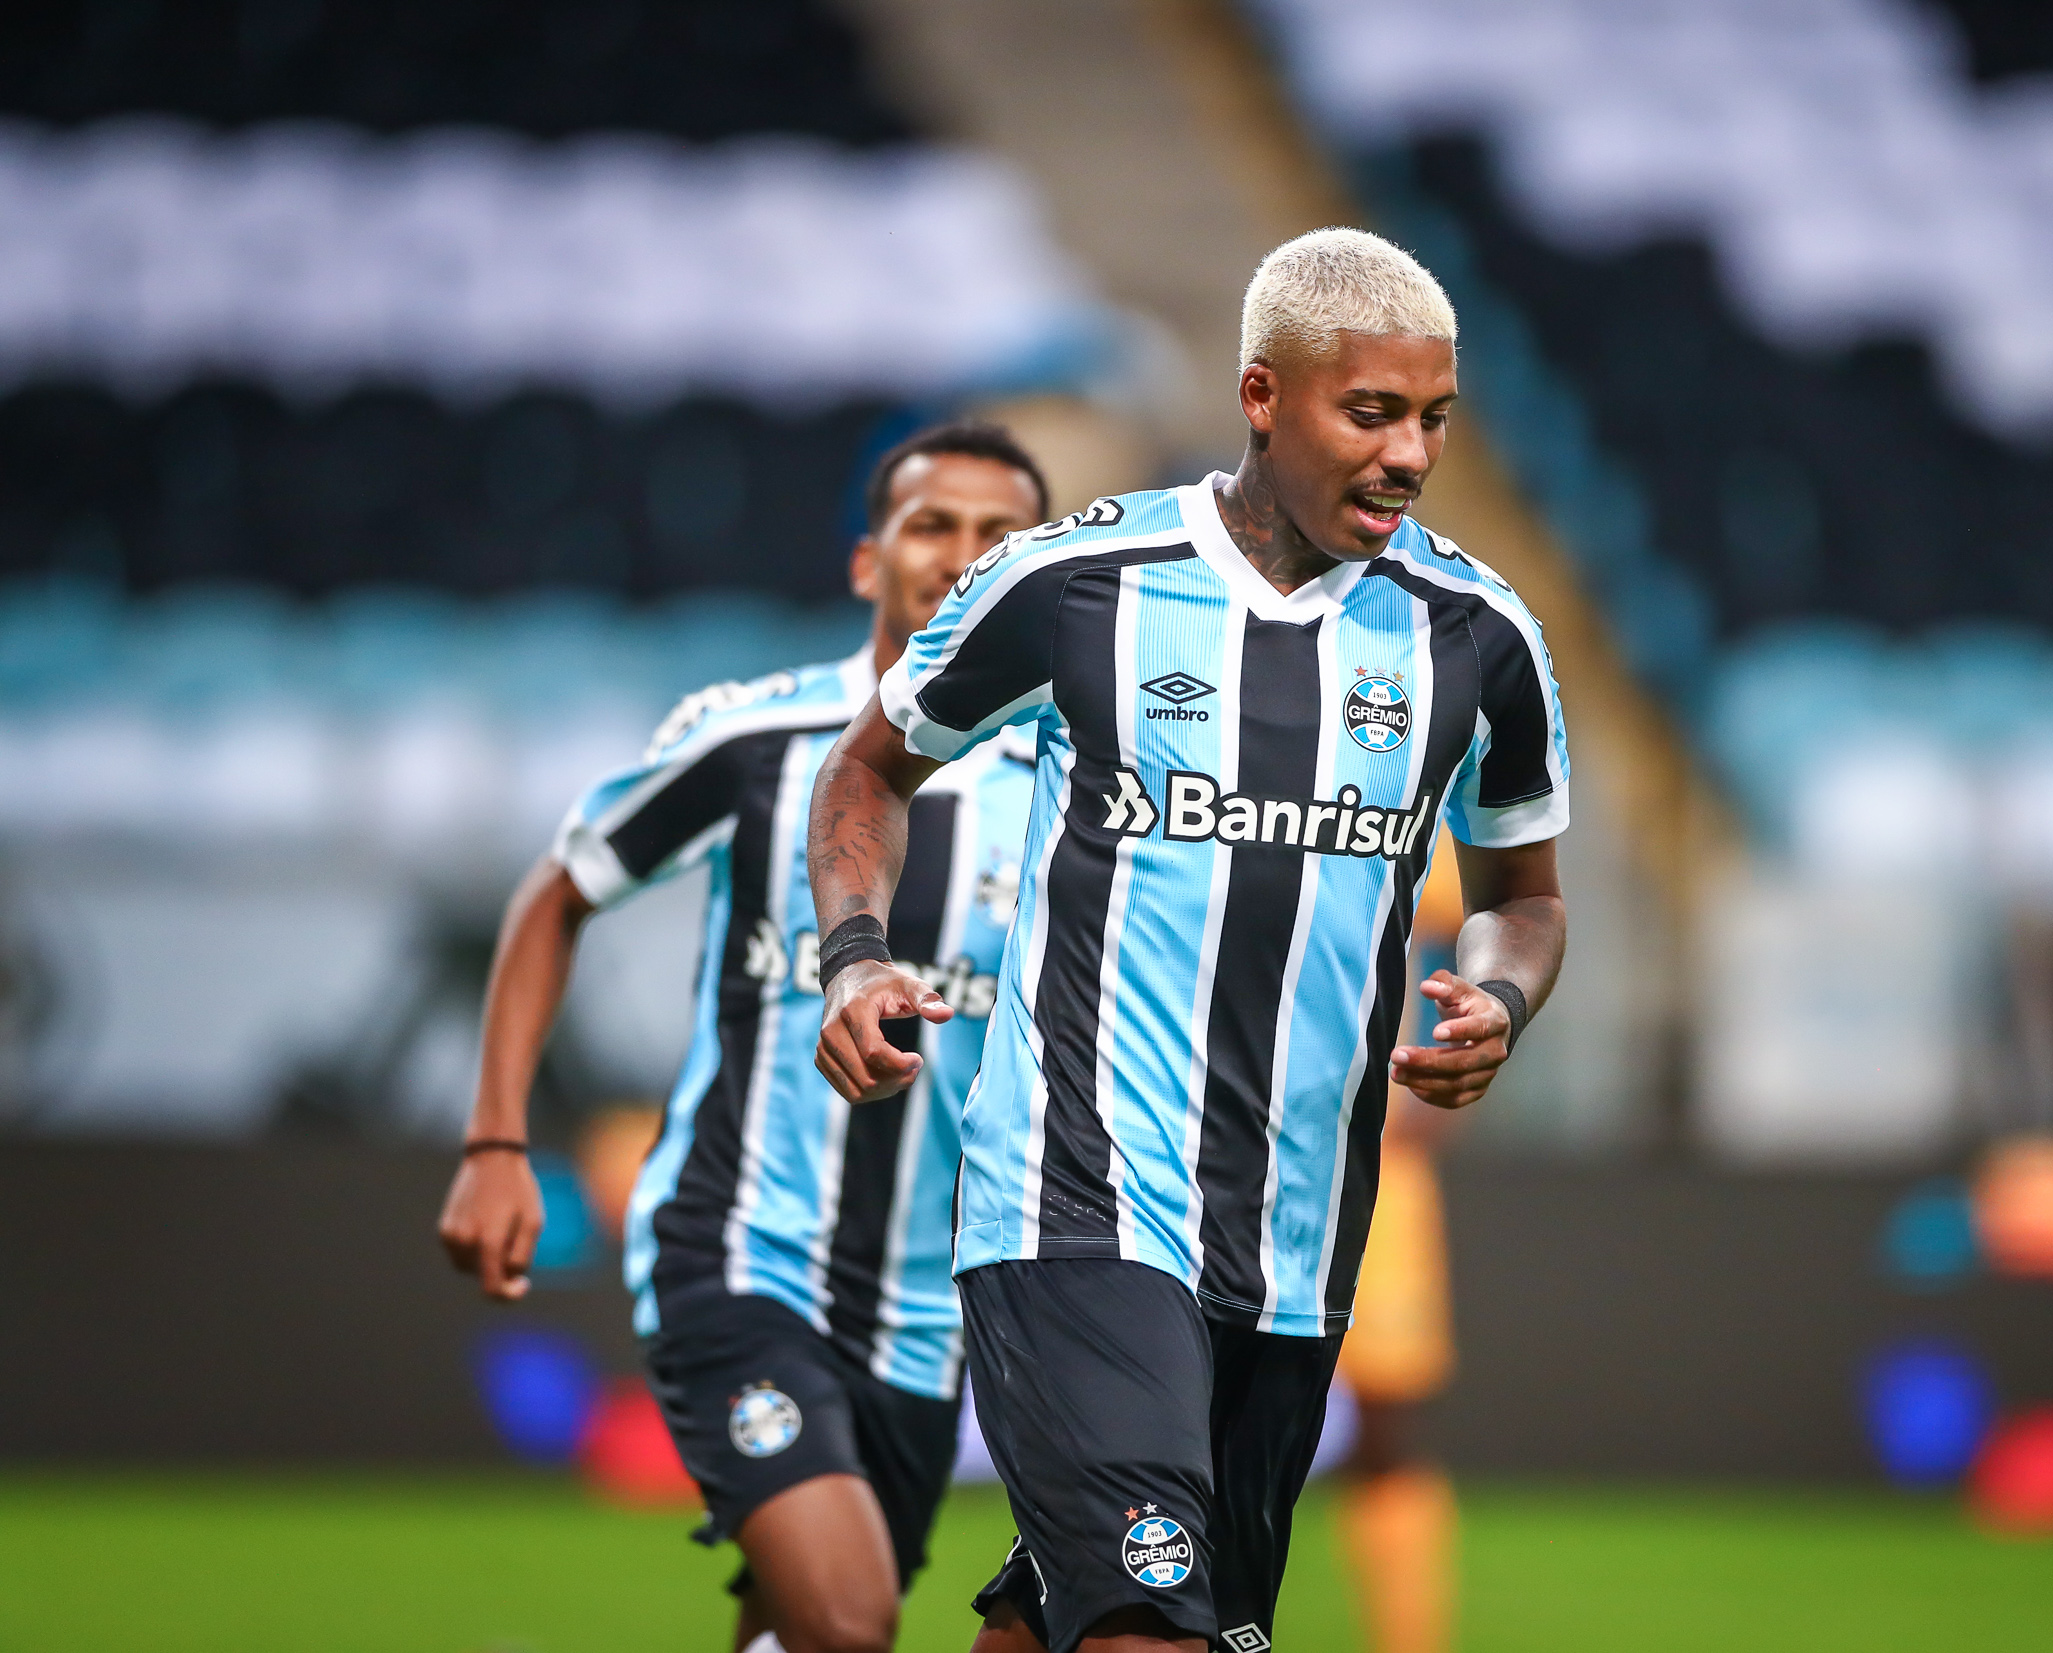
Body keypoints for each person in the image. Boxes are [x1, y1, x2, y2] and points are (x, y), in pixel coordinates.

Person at [806, 228, 1571, 1653]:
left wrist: (1501, 1000)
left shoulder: (1477, 636)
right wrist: (853, 951)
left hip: (1295, 1232)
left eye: (1433, 418)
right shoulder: (1079, 582)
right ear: (1261, 395)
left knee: (1093, 1613)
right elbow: (868, 769)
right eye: (1372, 412)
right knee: (1149, 1630)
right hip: (1073, 1194)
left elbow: (1523, 894)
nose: (1409, 455)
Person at [438, 421, 1052, 1653]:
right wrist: (495, 1141)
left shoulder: (1076, 779)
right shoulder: (762, 738)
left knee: (793, 1625)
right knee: (849, 1620)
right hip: (742, 1247)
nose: (962, 555)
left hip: (931, 1303)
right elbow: (558, 892)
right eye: (931, 525)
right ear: (867, 560)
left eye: (999, 537)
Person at [1335, 840, 1467, 1653]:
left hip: (1379, 1165)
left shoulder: (1424, 794)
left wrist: (1451, 1080)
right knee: (1190, 1418)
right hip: (1230, 1149)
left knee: (1387, 1427)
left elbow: (1494, 924)